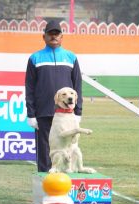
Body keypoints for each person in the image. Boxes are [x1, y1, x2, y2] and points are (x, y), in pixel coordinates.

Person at [25, 20, 83, 172]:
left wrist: (78, 112)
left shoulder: (71, 57)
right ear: (43, 37)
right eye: (50, 34)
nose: (54, 37)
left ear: (62, 37)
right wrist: (31, 114)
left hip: (67, 115)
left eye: (57, 34)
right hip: (44, 111)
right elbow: (30, 87)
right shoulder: (35, 58)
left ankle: (64, 184)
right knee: (44, 148)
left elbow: (77, 86)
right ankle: (45, 182)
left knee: (67, 148)